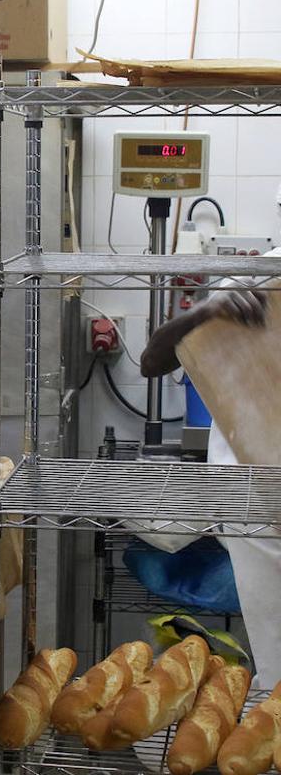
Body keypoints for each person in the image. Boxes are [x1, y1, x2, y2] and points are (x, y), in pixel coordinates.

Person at [141, 262, 281, 687]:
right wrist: (206, 310)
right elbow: (152, 361)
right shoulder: (257, 278)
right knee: (276, 656)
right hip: (255, 505)